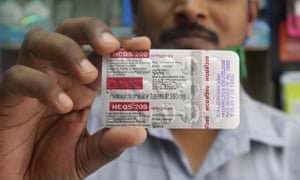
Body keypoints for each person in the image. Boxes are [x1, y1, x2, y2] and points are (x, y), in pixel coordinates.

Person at [0, 0, 300, 179]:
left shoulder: (294, 148)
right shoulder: (61, 134)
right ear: (135, 10)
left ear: (250, 17)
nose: (190, 8)